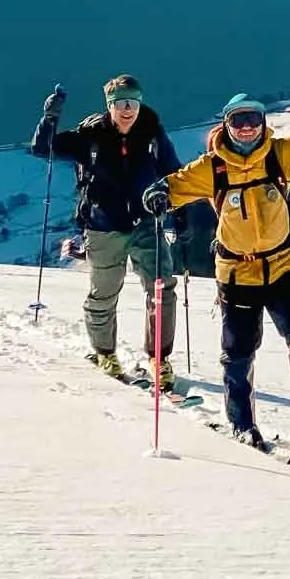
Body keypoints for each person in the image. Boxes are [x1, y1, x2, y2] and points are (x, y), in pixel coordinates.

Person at [144, 50, 290, 452]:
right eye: (239, 121)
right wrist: (159, 194)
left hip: (283, 268)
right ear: (227, 124)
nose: (248, 128)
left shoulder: (281, 155)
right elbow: (175, 186)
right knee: (238, 354)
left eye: (254, 120)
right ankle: (241, 423)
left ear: (263, 123)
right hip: (237, 276)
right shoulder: (211, 168)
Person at [31, 74, 181, 386]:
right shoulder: (90, 135)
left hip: (146, 223)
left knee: (162, 290)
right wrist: (49, 119)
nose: (128, 109)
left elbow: (174, 174)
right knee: (104, 294)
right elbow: (43, 149)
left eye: (134, 102)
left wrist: (181, 212)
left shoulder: (154, 135)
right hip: (103, 226)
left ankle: (158, 359)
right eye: (121, 103)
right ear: (110, 105)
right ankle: (105, 353)